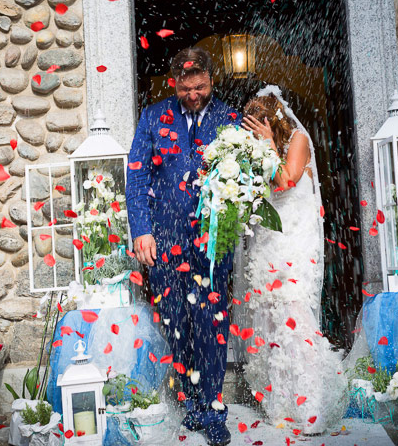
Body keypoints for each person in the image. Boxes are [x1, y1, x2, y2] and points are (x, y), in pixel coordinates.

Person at [126, 47, 240, 446]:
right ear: (175, 83)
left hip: (212, 241)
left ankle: (213, 408)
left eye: (201, 86)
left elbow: (243, 176)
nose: (194, 94)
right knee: (176, 321)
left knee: (212, 322)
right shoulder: (153, 117)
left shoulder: (230, 119)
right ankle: (190, 400)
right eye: (187, 88)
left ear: (211, 80)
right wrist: (142, 230)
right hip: (164, 239)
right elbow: (137, 178)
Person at [235, 88, 346, 434]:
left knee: (293, 314)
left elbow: (284, 181)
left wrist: (267, 142)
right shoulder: (259, 147)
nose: (252, 135)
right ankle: (282, 402)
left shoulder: (297, 139)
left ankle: (310, 405)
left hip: (296, 238)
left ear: (271, 121)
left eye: (257, 127)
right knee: (270, 316)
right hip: (268, 239)